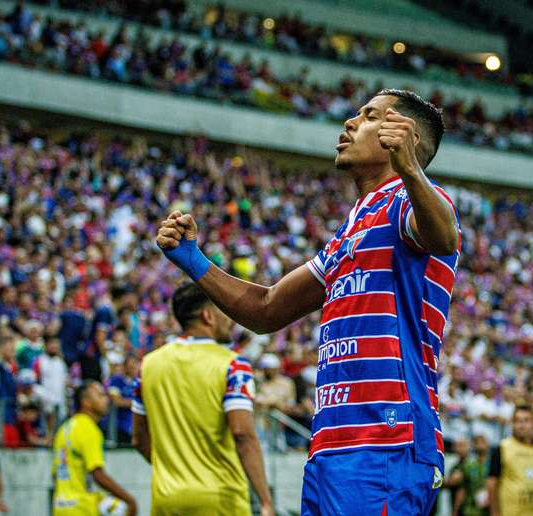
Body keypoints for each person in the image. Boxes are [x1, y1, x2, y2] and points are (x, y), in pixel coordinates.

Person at [156, 88, 460, 514]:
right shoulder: (349, 233)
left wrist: (410, 170)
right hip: (330, 445)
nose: (351, 123)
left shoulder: (412, 205)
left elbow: (443, 234)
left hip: (385, 440)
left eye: (370, 116)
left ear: (405, 136)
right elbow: (266, 310)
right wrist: (195, 262)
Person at [131, 283, 274, 515]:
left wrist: (173, 470)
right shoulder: (233, 364)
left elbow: (138, 439)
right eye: (223, 311)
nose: (231, 319)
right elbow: (242, 434)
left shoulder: (147, 365)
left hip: (167, 500)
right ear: (208, 316)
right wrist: (265, 499)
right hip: (220, 499)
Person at [51, 380, 137, 516]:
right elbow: (98, 475)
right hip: (81, 508)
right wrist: (130, 500)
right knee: (122, 508)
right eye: (101, 395)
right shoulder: (88, 428)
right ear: (86, 402)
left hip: (61, 507)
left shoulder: (64, 428)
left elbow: (55, 474)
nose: (106, 399)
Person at [487, 405, 533, 516]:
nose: (521, 425)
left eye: (526, 420)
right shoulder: (502, 448)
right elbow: (492, 484)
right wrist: (495, 513)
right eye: (517, 421)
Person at [454, 434, 491, 516]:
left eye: (483, 441)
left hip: (489, 510)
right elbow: (462, 488)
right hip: (470, 510)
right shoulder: (468, 465)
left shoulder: (493, 464)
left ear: (488, 445)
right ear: (473, 446)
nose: (480, 444)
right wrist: (455, 510)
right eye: (477, 442)